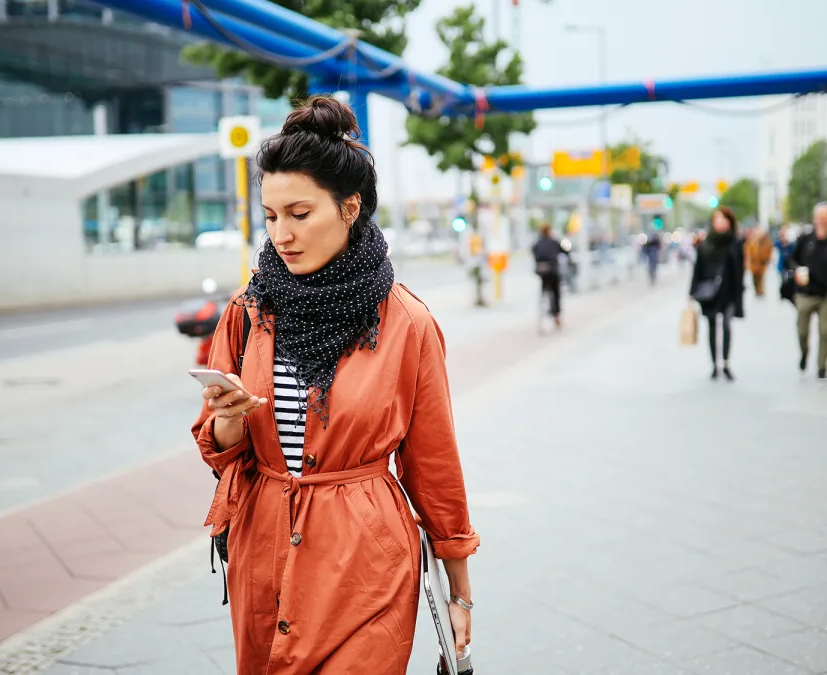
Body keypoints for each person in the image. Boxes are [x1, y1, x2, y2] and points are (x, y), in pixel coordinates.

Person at [192, 96, 479, 674]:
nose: (282, 235)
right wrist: (227, 417)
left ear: (350, 208)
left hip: (366, 562)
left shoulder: (407, 324)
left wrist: (459, 590)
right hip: (263, 549)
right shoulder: (248, 313)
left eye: (300, 214)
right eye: (271, 217)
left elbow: (433, 463)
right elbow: (219, 451)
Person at [789, 202, 827, 380]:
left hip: (825, 296)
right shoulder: (805, 240)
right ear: (815, 219)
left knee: (825, 332)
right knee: (802, 331)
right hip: (805, 294)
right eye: (821, 217)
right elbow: (791, 260)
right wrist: (797, 271)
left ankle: (822, 367)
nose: (823, 221)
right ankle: (804, 353)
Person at [690, 207, 745, 381]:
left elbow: (740, 270)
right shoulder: (706, 243)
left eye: (723, 219)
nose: (720, 223)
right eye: (717, 219)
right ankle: (714, 365)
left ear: (730, 222)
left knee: (727, 325)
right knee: (713, 327)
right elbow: (697, 269)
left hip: (729, 291)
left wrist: (740, 292)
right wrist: (691, 292)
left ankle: (726, 363)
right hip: (710, 293)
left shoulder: (735, 243)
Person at [532, 223, 565, 327]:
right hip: (553, 270)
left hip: (541, 271)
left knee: (544, 286)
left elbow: (534, 252)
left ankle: (543, 301)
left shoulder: (538, 243)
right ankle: (556, 315)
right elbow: (564, 251)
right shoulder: (554, 242)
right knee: (556, 292)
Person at [744, 226, 774, 298]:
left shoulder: (767, 242)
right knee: (754, 278)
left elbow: (770, 251)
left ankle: (761, 291)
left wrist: (769, 259)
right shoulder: (751, 241)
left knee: (761, 278)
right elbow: (747, 250)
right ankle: (757, 290)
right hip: (754, 264)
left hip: (762, 263)